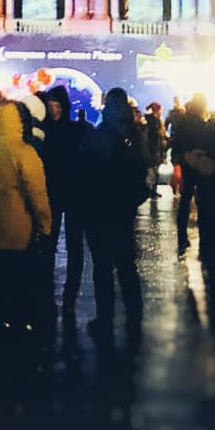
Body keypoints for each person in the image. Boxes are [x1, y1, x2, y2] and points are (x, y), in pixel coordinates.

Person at [0, 99, 51, 365]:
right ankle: (19, 327)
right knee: (21, 279)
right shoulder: (25, 152)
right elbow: (37, 193)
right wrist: (45, 225)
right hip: (21, 226)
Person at [79, 87, 150, 341]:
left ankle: (105, 318)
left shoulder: (100, 136)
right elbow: (141, 173)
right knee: (126, 265)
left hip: (99, 210)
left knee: (102, 268)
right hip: (123, 211)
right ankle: (134, 314)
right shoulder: (135, 136)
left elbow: (86, 173)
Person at [38, 85, 89, 327]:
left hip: (71, 193)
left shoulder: (56, 131)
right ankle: (52, 295)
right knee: (52, 244)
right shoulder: (64, 131)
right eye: (51, 107)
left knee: (72, 245)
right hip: (61, 193)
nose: (54, 110)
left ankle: (68, 296)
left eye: (57, 106)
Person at [170, 93, 209, 252]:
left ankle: (182, 236)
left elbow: (176, 143)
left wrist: (179, 160)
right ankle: (204, 238)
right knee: (202, 201)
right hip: (200, 163)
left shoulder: (182, 122)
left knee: (185, 201)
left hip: (186, 163)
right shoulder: (202, 123)